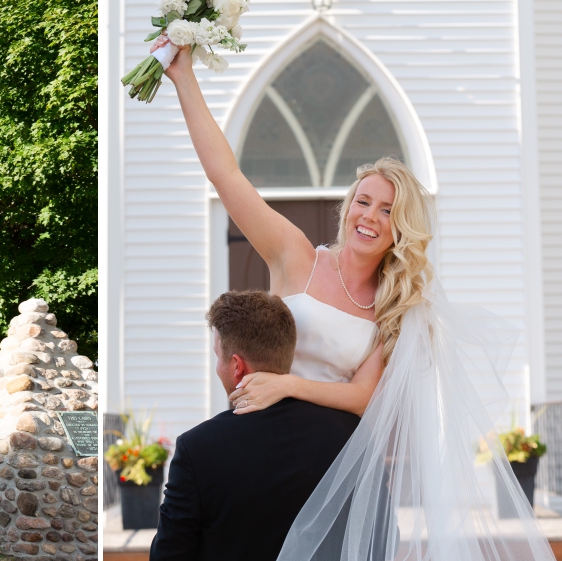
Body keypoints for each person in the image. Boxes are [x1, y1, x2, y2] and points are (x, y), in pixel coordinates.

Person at [159, 43, 552, 559]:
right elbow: (227, 176)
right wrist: (183, 76)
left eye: (387, 210)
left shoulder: (395, 307)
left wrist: (288, 385)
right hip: (256, 440)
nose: (369, 215)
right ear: (347, 208)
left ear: (400, 228)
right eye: (362, 201)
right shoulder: (296, 257)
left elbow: (366, 399)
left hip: (338, 466)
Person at [151, 290, 359, 561]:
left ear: (237, 365)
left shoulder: (197, 449)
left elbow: (169, 555)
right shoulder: (351, 433)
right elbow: (380, 534)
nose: (217, 367)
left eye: (218, 356)